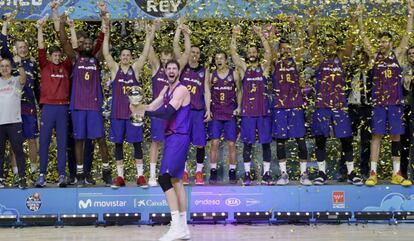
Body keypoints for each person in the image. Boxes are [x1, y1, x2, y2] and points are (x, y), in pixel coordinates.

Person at [131, 59, 191, 241]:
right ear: (165, 71)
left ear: (178, 71)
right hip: (171, 137)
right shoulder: (166, 89)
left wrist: (145, 113)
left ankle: (175, 227)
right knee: (176, 180)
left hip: (179, 136)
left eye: (175, 68)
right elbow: (151, 106)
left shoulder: (181, 89)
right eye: (169, 68)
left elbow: (167, 113)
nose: (171, 70)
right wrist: (137, 108)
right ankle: (184, 228)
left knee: (164, 178)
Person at [359, 1, 413, 186]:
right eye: (380, 41)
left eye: (384, 41)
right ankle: (373, 172)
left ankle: (396, 173)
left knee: (396, 136)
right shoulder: (375, 56)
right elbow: (364, 39)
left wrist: (411, 13)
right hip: (379, 104)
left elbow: (407, 36)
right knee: (377, 136)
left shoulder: (397, 55)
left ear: (390, 42)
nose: (381, 44)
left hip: (395, 103)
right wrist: (359, 18)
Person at [308, 7, 362, 185]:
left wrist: (353, 19)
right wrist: (312, 19)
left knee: (346, 138)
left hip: (340, 105)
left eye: (333, 44)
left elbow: (351, 41)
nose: (330, 47)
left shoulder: (342, 60)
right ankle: (321, 173)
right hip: (322, 106)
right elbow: (311, 41)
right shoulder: (319, 60)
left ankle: (352, 172)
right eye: (327, 45)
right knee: (320, 139)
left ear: (337, 47)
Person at [102, 16, 156, 188]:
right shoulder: (115, 69)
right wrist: (106, 34)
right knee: (118, 144)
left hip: (134, 114)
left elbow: (145, 54)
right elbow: (106, 53)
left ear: (131, 57)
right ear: (120, 57)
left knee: (137, 143)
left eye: (128, 55)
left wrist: (148, 37)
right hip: (117, 112)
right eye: (123, 55)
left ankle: (140, 176)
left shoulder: (135, 69)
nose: (125, 57)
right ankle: (120, 177)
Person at [60, 10, 112, 187]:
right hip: (78, 107)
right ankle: (80, 174)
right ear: (82, 46)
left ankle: (106, 173)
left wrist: (106, 20)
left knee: (100, 139)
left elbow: (104, 39)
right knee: (79, 140)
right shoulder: (76, 58)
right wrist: (61, 23)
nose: (89, 45)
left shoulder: (96, 59)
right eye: (86, 43)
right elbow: (64, 41)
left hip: (94, 106)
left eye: (91, 43)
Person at [147, 21, 190, 186]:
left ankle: (180, 173)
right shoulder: (156, 67)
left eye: (168, 60)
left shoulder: (175, 70)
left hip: (174, 113)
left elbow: (186, 52)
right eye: (163, 60)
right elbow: (148, 49)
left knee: (176, 143)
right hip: (159, 113)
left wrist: (184, 32)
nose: (166, 63)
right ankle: (152, 176)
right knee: (155, 142)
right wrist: (151, 31)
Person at [270, 16, 312, 186]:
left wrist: (295, 25)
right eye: (283, 48)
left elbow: (302, 43)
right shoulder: (275, 62)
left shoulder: (296, 61)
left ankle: (303, 175)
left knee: (301, 141)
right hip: (280, 106)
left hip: (295, 106)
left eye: (289, 48)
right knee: (281, 142)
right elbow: (270, 50)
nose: (286, 51)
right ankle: (284, 174)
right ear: (280, 50)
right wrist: (270, 34)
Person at [231, 25, 273, 185]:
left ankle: (267, 174)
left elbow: (269, 53)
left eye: (254, 52)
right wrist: (235, 35)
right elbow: (234, 54)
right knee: (247, 144)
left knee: (266, 143)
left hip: (263, 112)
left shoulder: (264, 68)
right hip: (248, 113)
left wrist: (261, 35)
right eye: (249, 52)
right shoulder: (244, 69)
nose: (252, 54)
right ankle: (247, 175)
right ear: (247, 55)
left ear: (257, 54)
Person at [35, 15, 73, 187]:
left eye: (59, 55)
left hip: (62, 108)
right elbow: (41, 47)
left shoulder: (66, 66)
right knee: (44, 142)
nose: (57, 57)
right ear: (50, 57)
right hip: (48, 108)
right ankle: (42, 175)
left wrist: (66, 28)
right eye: (54, 55)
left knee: (62, 143)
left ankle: (62, 176)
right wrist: (40, 28)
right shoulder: (45, 65)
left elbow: (70, 49)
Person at [1, 12, 39, 180]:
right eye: (19, 47)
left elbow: (37, 87)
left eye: (24, 47)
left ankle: (33, 171)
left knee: (31, 140)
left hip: (29, 106)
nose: (22, 49)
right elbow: (2, 44)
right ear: (15, 49)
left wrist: (41, 105)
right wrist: (6, 24)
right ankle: (17, 174)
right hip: (13, 110)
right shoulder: (10, 61)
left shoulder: (32, 63)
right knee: (15, 144)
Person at [174, 24, 211, 185]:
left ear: (199, 55)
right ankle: (184, 171)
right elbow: (177, 47)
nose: (194, 55)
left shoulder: (204, 70)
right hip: (184, 112)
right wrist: (182, 33)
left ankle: (198, 172)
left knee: (200, 143)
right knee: (183, 142)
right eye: (192, 52)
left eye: (197, 53)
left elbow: (207, 91)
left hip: (198, 111)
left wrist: (208, 110)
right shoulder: (182, 67)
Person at [208, 51, 241, 184]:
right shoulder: (211, 76)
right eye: (216, 58)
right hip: (216, 114)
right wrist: (208, 109)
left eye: (221, 58)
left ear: (226, 60)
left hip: (230, 114)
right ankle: (213, 171)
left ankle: (232, 171)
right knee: (214, 143)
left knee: (231, 144)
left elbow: (239, 91)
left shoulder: (234, 74)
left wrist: (238, 107)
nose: (219, 60)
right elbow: (207, 92)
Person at [0, 58, 27, 189]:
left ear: (11, 67)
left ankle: (22, 178)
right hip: (0, 124)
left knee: (18, 151)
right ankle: (0, 179)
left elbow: (24, 77)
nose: (4, 68)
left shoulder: (16, 80)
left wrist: (19, 64)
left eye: (7, 66)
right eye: (2, 66)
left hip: (14, 122)